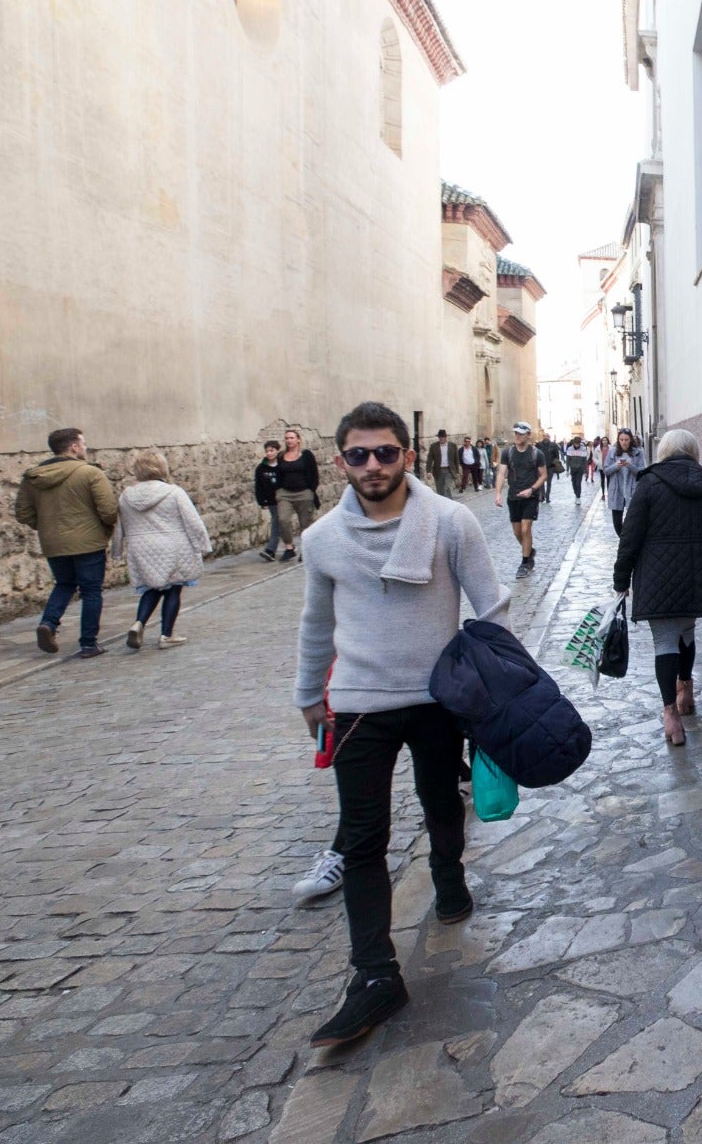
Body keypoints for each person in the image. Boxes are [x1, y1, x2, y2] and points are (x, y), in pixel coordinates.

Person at [293, 401, 506, 1047]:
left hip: (438, 694)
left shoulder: (449, 521)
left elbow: (491, 608)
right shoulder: (322, 539)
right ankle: (375, 973)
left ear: (407, 456)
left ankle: (449, 875)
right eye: (359, 454)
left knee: (441, 799)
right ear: (341, 462)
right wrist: (309, 695)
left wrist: (499, 693)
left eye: (386, 452)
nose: (373, 465)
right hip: (359, 704)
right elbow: (315, 623)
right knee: (362, 838)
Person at [611, 429, 702, 747]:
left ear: (663, 452)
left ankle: (671, 716)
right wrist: (700, 545)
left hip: (657, 575)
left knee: (665, 642)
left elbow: (630, 536)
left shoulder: (649, 484)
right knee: (687, 633)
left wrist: (621, 580)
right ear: (693, 451)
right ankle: (686, 691)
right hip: (697, 574)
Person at [15, 427, 117, 659]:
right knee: (91, 590)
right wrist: (104, 528)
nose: (84, 447)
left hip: (53, 542)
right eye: (82, 443)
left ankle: (49, 624)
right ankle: (89, 643)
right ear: (73, 447)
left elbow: (23, 513)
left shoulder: (33, 477)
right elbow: (109, 510)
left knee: (64, 584)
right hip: (89, 542)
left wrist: (47, 526)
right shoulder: (90, 473)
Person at [112, 453, 211, 650]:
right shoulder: (173, 492)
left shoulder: (126, 495)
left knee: (152, 587)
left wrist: (117, 550)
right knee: (173, 588)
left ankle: (138, 622)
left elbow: (119, 525)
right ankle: (166, 634)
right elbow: (193, 522)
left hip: (140, 547)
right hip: (172, 545)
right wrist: (203, 545)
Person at [494, 423, 546, 578]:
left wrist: (532, 489)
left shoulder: (537, 454)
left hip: (530, 497)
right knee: (517, 532)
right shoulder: (508, 453)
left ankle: (524, 563)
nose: (517, 436)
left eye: (521, 433)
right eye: (516, 433)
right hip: (513, 496)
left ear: (528, 435)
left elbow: (543, 475)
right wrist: (498, 494)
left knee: (525, 529)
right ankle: (529, 551)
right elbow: (502, 474)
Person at [273, 428, 321, 562]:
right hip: (285, 493)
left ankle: (306, 550)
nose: (289, 440)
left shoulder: (306, 455)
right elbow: (277, 474)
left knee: (305, 524)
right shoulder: (281, 456)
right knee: (283, 520)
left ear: (298, 439)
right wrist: (278, 491)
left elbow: (314, 474)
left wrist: (311, 490)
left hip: (303, 493)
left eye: (292, 438)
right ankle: (289, 548)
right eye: (287, 438)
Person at [602, 429, 645, 531]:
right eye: (621, 440)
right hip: (617, 490)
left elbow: (642, 472)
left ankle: (628, 543)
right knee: (617, 524)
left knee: (632, 522)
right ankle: (624, 543)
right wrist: (616, 466)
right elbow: (606, 470)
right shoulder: (612, 452)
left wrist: (630, 466)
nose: (624, 442)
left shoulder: (638, 453)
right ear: (618, 440)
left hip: (632, 490)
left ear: (630, 440)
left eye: (626, 440)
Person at [254, 441, 283, 561]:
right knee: (279, 522)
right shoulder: (261, 468)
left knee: (279, 522)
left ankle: (272, 549)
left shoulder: (283, 465)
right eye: (267, 451)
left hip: (284, 499)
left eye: (272, 450)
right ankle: (286, 546)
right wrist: (262, 501)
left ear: (277, 451)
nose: (269, 453)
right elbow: (258, 486)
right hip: (271, 500)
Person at [425, 429, 456, 499]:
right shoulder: (433, 446)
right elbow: (430, 459)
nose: (441, 438)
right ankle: (442, 507)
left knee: (447, 488)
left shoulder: (452, 446)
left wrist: (456, 471)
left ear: (445, 437)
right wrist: (428, 471)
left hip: (449, 470)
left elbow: (456, 459)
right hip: (438, 471)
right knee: (440, 491)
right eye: (439, 437)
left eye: (442, 437)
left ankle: (449, 505)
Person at [563, 435, 591, 502]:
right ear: (573, 443)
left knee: (578, 483)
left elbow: (585, 460)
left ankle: (578, 497)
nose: (576, 445)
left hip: (580, 469)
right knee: (573, 483)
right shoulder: (570, 449)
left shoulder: (583, 449)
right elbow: (568, 460)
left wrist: (585, 470)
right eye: (575, 443)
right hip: (573, 468)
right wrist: (567, 470)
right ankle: (576, 494)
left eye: (578, 443)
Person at [537, 432, 561, 504]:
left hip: (550, 467)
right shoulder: (539, 445)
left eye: (547, 436)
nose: (545, 437)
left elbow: (557, 456)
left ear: (549, 437)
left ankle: (547, 497)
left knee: (549, 483)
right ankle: (542, 496)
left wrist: (555, 464)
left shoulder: (553, 445)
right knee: (541, 482)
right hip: (541, 467)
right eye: (544, 436)